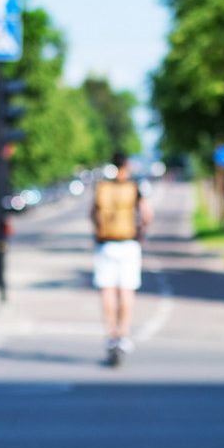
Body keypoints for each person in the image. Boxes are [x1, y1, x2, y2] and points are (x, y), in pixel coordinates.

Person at [91, 151, 153, 363]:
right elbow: (146, 214)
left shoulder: (102, 187)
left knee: (107, 290)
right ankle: (123, 333)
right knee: (126, 290)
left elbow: (93, 214)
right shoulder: (134, 187)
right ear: (127, 165)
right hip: (129, 243)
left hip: (106, 243)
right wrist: (141, 233)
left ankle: (111, 333)